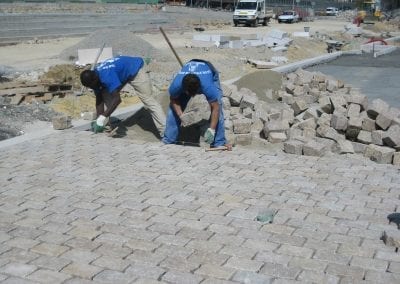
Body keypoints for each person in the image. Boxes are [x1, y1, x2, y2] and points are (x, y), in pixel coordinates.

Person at [80, 55, 166, 137]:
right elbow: (99, 100)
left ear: (95, 79)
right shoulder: (94, 78)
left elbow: (117, 99)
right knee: (105, 95)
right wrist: (99, 119)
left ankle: (166, 133)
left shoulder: (106, 76)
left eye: (91, 86)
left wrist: (103, 116)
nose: (91, 88)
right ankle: (104, 128)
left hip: (136, 69)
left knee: (149, 101)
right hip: (122, 73)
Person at [162, 59, 231, 149]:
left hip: (209, 68)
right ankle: (169, 140)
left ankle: (219, 142)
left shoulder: (207, 86)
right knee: (172, 110)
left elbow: (216, 108)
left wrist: (211, 130)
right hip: (189, 69)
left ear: (199, 88)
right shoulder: (176, 86)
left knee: (218, 104)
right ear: (184, 89)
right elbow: (173, 99)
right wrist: (180, 114)